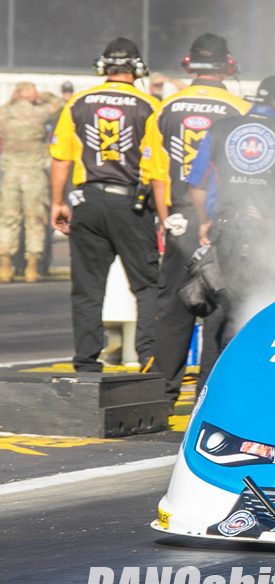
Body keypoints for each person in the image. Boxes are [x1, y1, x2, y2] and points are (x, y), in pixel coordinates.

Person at [141, 33, 250, 409]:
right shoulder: (240, 110)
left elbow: (156, 172)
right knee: (219, 306)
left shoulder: (165, 107)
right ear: (228, 65)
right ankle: (207, 395)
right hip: (219, 221)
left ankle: (164, 392)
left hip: (179, 217)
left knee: (173, 306)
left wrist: (166, 218)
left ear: (189, 64)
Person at [187, 75, 275, 360]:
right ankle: (247, 385)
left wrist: (206, 220)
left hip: (225, 233)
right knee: (263, 311)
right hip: (271, 239)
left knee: (222, 313)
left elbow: (197, 185)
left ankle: (207, 390)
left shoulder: (219, 129)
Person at [49, 37, 159, 372]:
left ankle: (85, 364)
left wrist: (57, 203)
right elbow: (158, 166)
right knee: (147, 286)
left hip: (87, 200)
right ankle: (149, 362)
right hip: (131, 203)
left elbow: (60, 160)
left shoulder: (78, 103)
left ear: (103, 67)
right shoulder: (150, 105)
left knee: (87, 288)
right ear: (138, 68)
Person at [0, 82, 63, 282]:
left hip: (10, 174)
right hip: (34, 174)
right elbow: (60, 104)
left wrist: (14, 98)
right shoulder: (40, 113)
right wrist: (40, 95)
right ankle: (32, 268)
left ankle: (5, 267)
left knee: (8, 219)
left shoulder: (5, 114)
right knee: (35, 221)